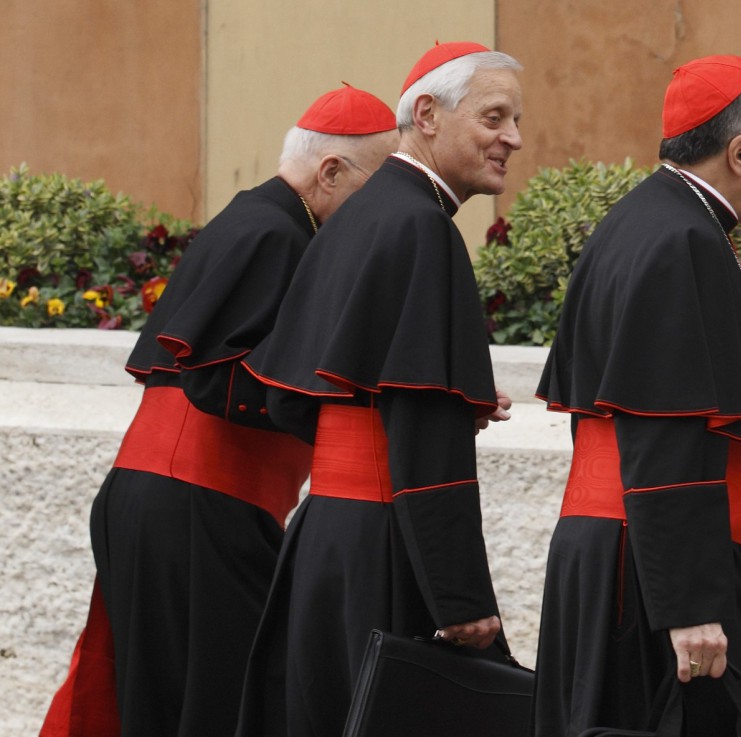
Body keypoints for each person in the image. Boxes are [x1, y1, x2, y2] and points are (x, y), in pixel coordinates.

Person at [39, 84, 399, 737]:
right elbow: (216, 375)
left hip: (173, 501)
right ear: (330, 172)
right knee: (223, 709)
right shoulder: (277, 233)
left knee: (165, 706)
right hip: (201, 505)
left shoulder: (254, 218)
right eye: (373, 190)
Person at [233, 41, 523, 737]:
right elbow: (421, 423)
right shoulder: (422, 227)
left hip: (327, 536)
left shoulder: (357, 216)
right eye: (494, 116)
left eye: (515, 120)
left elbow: (293, 397)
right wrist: (460, 596)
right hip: (386, 545)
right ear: (427, 114)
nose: (513, 137)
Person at [531, 55, 741, 736]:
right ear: (740, 151)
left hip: (622, 552)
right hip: (655, 571)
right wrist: (688, 604)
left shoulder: (642, 218)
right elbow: (661, 427)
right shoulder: (681, 238)